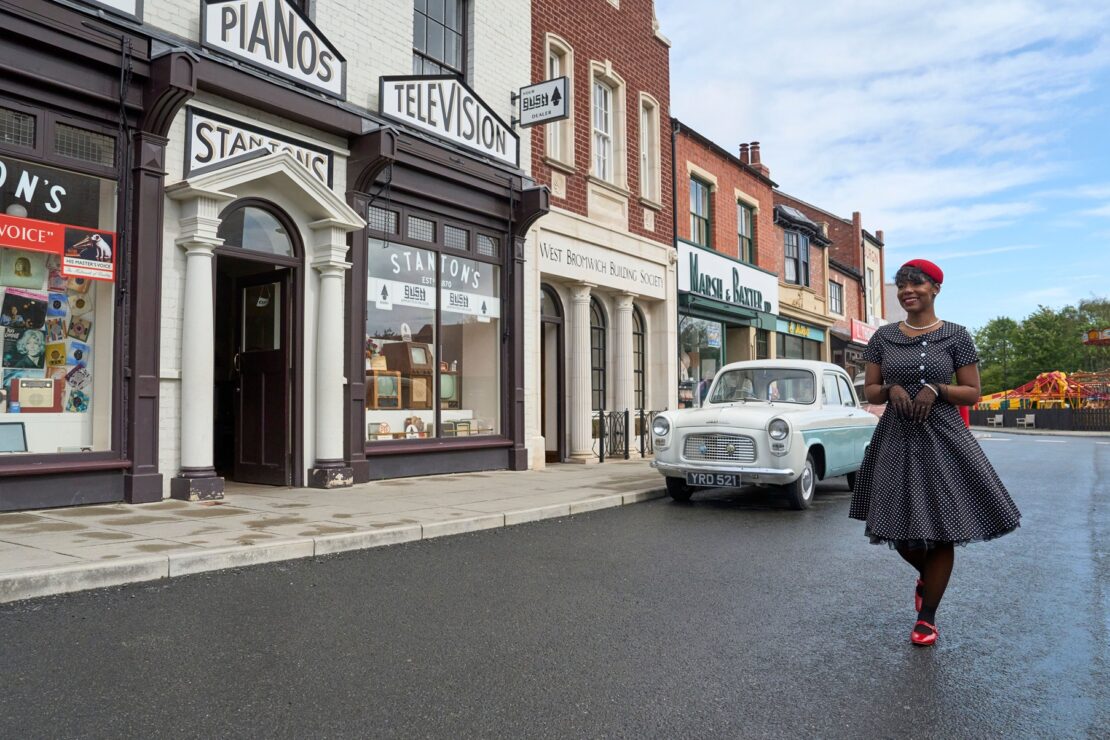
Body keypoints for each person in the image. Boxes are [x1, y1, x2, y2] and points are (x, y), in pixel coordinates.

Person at [850, 259, 1021, 647]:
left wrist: (938, 389)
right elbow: (871, 389)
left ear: (935, 289)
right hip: (896, 438)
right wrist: (890, 389)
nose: (907, 291)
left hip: (943, 439)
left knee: (942, 530)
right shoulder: (883, 337)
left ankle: (927, 617)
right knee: (894, 527)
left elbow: (972, 392)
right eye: (902, 285)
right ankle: (927, 578)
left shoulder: (957, 335)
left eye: (916, 284)